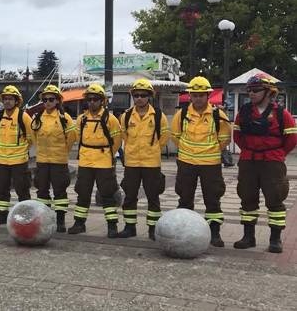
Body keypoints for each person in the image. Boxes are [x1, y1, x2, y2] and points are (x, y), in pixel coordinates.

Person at [232, 74, 296, 253]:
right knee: (247, 198)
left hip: (272, 163)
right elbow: (237, 136)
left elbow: (291, 139)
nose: (251, 93)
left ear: (269, 92)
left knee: (275, 199)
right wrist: (249, 150)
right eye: (249, 90)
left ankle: (275, 240)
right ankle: (248, 237)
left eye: (256, 90)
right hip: (248, 161)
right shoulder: (244, 112)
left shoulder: (282, 114)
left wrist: (277, 153)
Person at [172, 76, 231, 247]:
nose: (198, 98)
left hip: (210, 164)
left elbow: (225, 138)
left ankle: (214, 233)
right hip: (186, 162)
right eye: (195, 95)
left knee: (212, 198)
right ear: (190, 96)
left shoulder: (217, 115)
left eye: (201, 95)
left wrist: (209, 151)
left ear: (208, 96)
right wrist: (189, 151)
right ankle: (183, 231)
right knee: (184, 198)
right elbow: (175, 137)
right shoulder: (181, 114)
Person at [117, 79, 170, 240]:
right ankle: (129, 227)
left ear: (149, 97)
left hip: (151, 163)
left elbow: (164, 137)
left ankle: (153, 229)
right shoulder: (126, 116)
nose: (139, 98)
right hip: (132, 163)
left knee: (153, 197)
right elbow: (124, 136)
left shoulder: (158, 116)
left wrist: (152, 150)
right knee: (130, 196)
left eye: (143, 95)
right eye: (136, 95)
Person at [68, 83, 123, 238]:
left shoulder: (110, 119)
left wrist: (106, 154)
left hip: (104, 162)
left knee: (108, 195)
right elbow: (78, 138)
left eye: (95, 99)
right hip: (86, 162)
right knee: (82, 193)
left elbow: (117, 141)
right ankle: (79, 223)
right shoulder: (81, 119)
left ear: (102, 101)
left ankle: (112, 226)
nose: (92, 102)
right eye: (89, 99)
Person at [31, 85, 77, 233]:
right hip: (43, 161)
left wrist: (63, 151)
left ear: (57, 101)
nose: (48, 102)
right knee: (42, 192)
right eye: (45, 99)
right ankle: (44, 219)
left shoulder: (64, 118)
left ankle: (60, 221)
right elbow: (34, 136)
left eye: (51, 99)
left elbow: (71, 138)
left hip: (59, 161)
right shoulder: (38, 117)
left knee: (60, 193)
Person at [0, 85, 33, 225]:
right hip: (2, 161)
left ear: (17, 101)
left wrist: (21, 151)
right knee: (2, 189)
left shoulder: (23, 116)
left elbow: (31, 138)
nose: (7, 101)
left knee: (22, 190)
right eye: (5, 99)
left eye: (10, 99)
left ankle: (26, 215)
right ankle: (2, 214)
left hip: (19, 161)